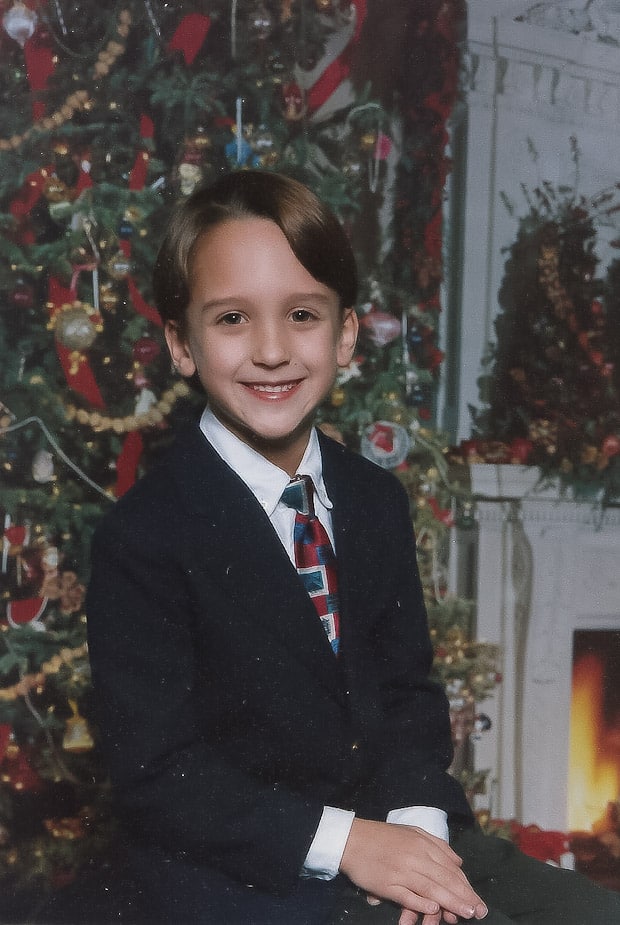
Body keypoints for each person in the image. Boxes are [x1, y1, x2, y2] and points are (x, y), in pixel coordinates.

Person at [85, 170, 620, 925]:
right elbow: (159, 775)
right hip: (244, 873)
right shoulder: (144, 535)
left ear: (343, 335)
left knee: (586, 911)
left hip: (397, 831)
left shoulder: (374, 500)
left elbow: (408, 700)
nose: (272, 350)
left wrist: (419, 840)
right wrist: (350, 844)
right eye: (232, 319)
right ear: (181, 342)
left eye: (301, 314)